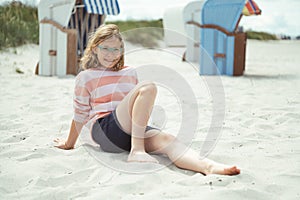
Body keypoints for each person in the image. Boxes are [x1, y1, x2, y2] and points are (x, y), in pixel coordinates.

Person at [54, 24, 240, 176]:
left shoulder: (129, 72)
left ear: (121, 51)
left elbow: (139, 106)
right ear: (95, 48)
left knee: (168, 140)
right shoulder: (86, 76)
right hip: (105, 129)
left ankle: (209, 167)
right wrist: (69, 143)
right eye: (105, 48)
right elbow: (80, 114)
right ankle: (137, 151)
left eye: (116, 49)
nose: (111, 54)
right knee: (148, 86)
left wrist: (142, 130)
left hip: (130, 130)